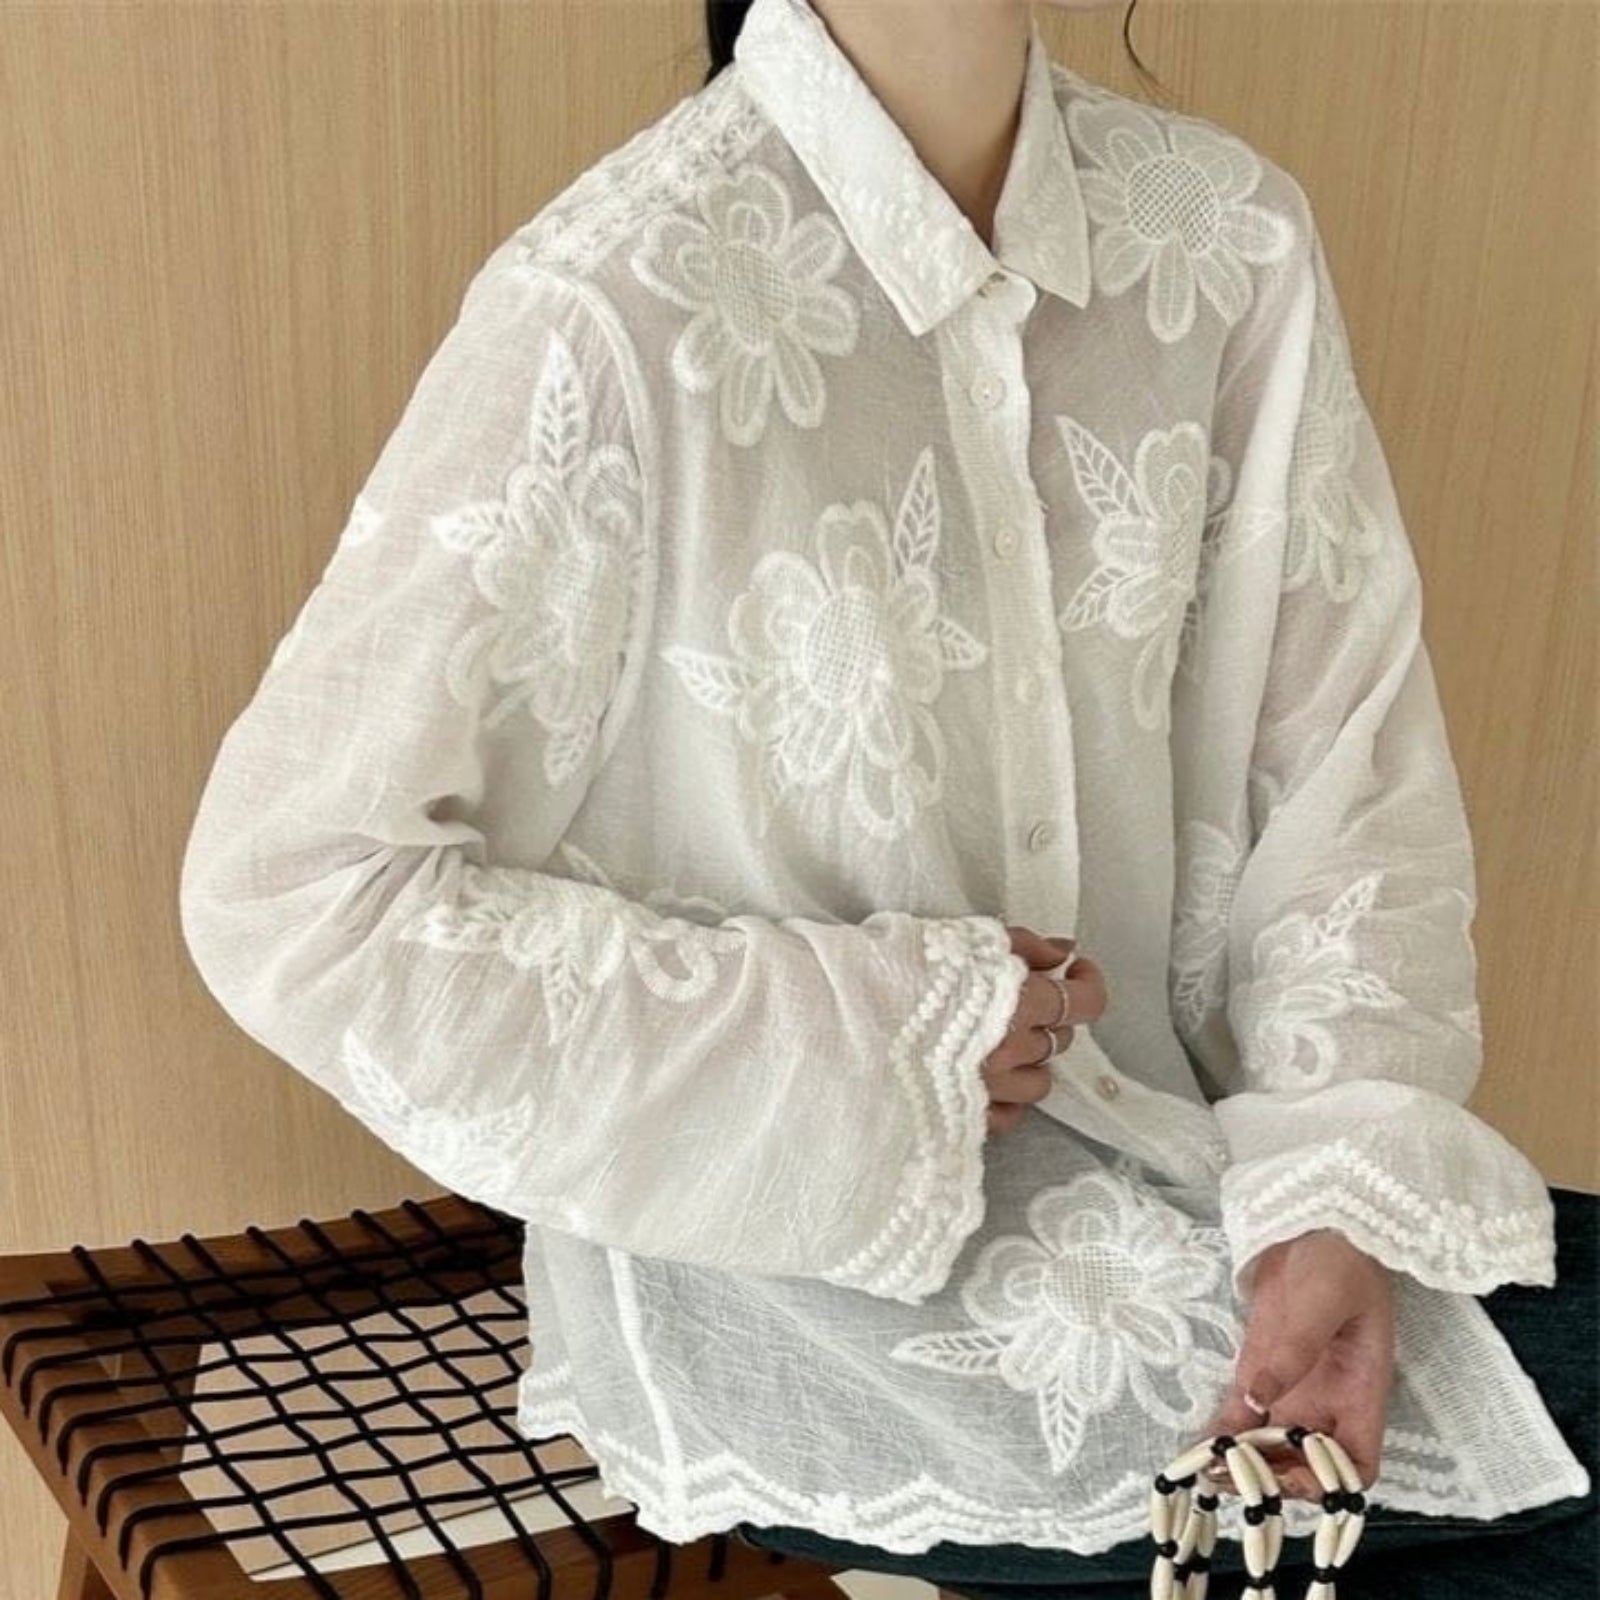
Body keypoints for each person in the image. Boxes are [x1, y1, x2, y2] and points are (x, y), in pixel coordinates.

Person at [177, 0, 1597, 1594]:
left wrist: (1335, 1186)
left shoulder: (1226, 241)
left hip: (1226, 1202)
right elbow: (301, 892)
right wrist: (879, 1039)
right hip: (801, 1305)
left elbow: (1344, 775)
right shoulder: (616, 306)